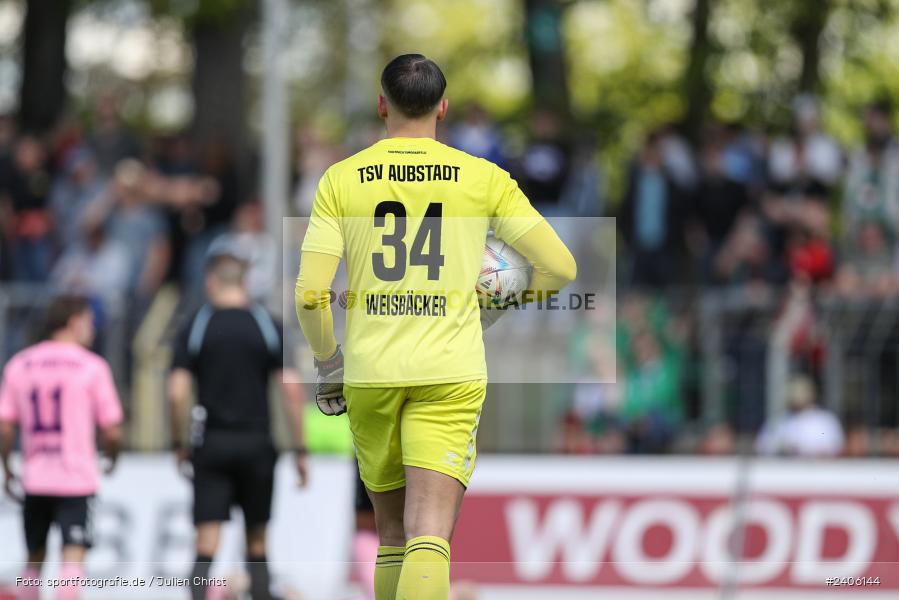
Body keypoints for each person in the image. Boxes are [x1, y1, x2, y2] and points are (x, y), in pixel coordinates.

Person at [295, 54, 576, 600]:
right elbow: (560, 267)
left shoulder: (341, 179)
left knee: (392, 536)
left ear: (382, 105)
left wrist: (329, 365)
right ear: (443, 108)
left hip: (372, 370)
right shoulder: (483, 177)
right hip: (450, 366)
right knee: (430, 534)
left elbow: (310, 295)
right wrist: (489, 306)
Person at [169, 250, 309, 600]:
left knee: (206, 542)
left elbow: (176, 393)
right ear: (244, 282)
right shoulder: (265, 324)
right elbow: (291, 390)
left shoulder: (198, 325)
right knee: (258, 542)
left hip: (212, 441)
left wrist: (180, 443)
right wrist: (301, 448)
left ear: (211, 282)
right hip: (257, 442)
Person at [0, 295, 123, 600]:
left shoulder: (20, 364)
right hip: (75, 480)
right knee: (73, 564)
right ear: (74, 322)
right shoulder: (92, 366)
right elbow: (112, 429)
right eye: (89, 321)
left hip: (36, 477)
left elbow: (4, 424)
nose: (92, 329)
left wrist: (7, 467)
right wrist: (112, 457)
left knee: (33, 562)